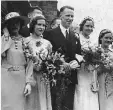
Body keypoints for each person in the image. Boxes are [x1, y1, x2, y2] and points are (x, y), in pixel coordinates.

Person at [45, 6, 81, 110]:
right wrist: (60, 64)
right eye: (67, 15)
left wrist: (76, 62)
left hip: (71, 76)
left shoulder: (75, 36)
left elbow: (78, 54)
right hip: (56, 77)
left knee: (68, 105)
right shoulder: (50, 33)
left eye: (72, 16)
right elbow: (47, 55)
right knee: (55, 104)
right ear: (60, 16)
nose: (70, 18)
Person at [1, 12, 35, 110]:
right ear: (7, 26)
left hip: (20, 79)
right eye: (12, 23)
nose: (15, 25)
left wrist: (28, 83)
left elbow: (30, 64)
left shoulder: (26, 42)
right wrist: (6, 36)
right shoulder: (2, 40)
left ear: (21, 25)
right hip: (4, 78)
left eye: (17, 22)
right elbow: (1, 53)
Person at [25, 15, 52, 110]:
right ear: (33, 25)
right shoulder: (26, 41)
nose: (42, 27)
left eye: (44, 25)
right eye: (39, 24)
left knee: (42, 103)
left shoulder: (47, 43)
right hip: (29, 76)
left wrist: (47, 66)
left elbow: (50, 60)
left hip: (42, 78)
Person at [74, 17, 99, 110]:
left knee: (91, 90)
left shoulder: (94, 40)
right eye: (87, 26)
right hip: (81, 69)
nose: (89, 28)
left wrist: (95, 59)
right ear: (82, 26)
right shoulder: (77, 37)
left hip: (91, 70)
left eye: (91, 26)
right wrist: (82, 59)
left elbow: (96, 54)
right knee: (81, 90)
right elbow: (74, 53)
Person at [98, 29, 113, 110]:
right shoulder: (96, 51)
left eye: (110, 38)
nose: (108, 40)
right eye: (106, 38)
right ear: (101, 38)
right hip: (99, 79)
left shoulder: (112, 52)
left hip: (111, 80)